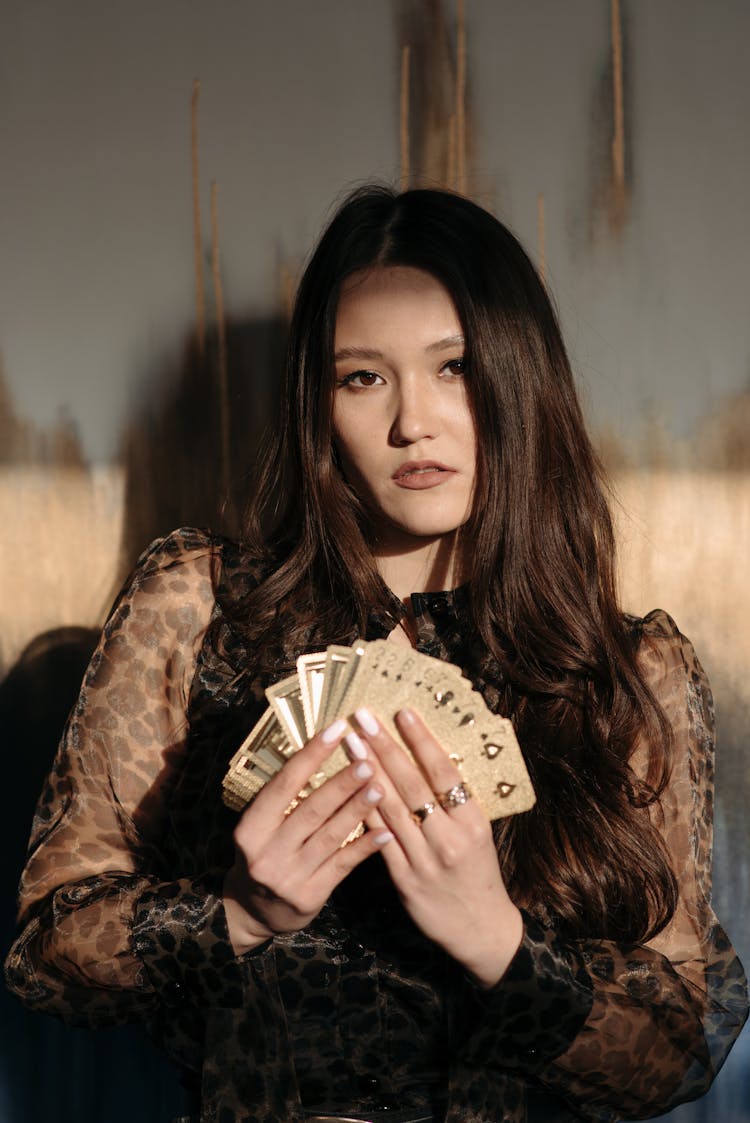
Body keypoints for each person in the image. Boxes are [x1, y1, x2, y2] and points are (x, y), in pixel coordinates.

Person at [5, 186, 748, 1123]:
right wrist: (235, 914)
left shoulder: (631, 674)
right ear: (319, 401)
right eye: (363, 377)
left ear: (522, 380)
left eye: (456, 367)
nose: (413, 422)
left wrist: (499, 943)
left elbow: (677, 1044)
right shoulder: (195, 608)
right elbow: (49, 948)